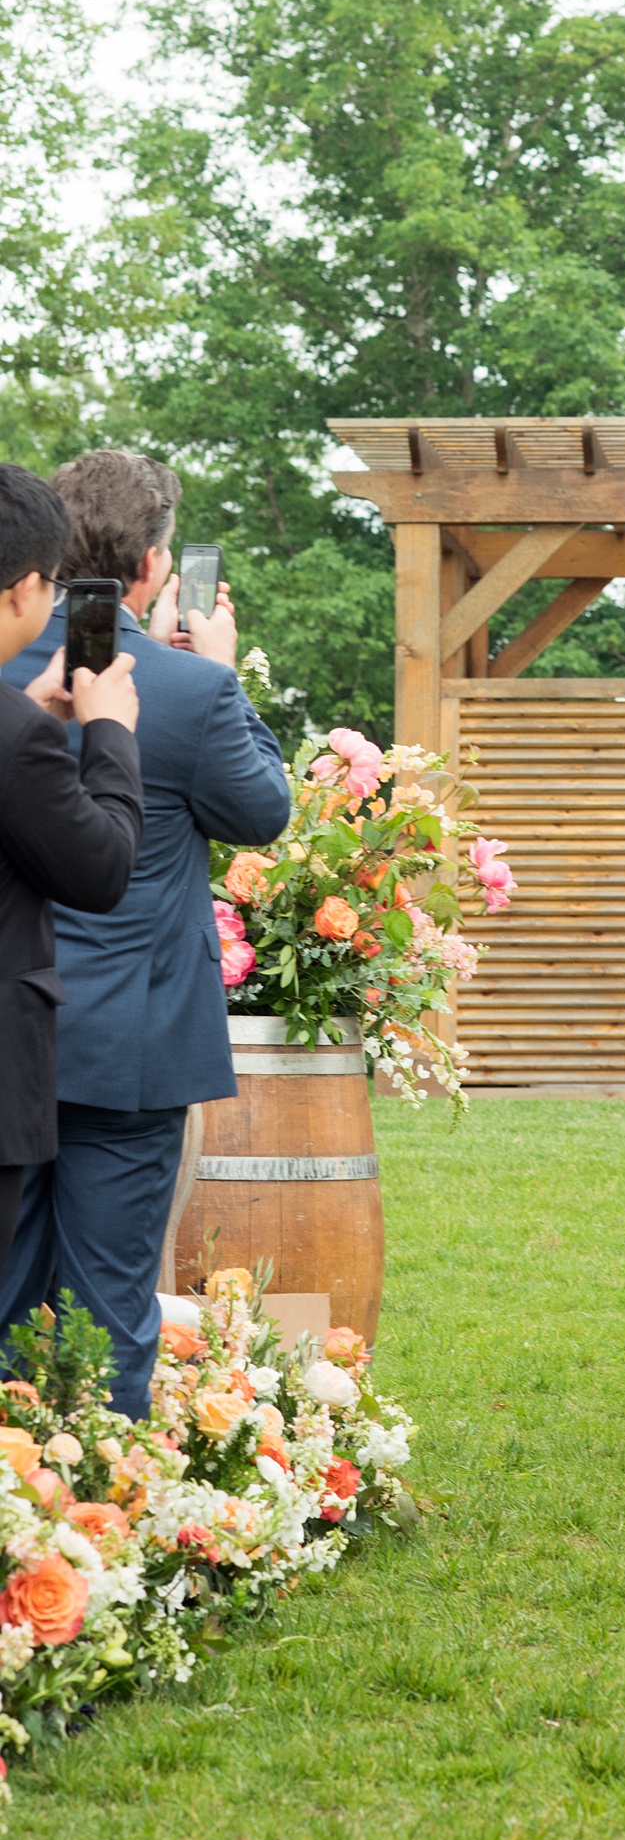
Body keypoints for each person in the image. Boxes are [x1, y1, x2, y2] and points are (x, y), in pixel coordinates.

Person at [0, 451, 290, 1419]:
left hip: (18, 1027)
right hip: (132, 1039)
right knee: (111, 1294)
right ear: (156, 563)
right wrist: (223, 674)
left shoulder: (10, 670)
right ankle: (105, 1519)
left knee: (7, 1294)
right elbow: (263, 811)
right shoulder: (186, 688)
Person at [0, 465, 144, 1275]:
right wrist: (108, 733)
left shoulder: (19, 726)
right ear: (24, 587)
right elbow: (100, 869)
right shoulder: (15, 734)